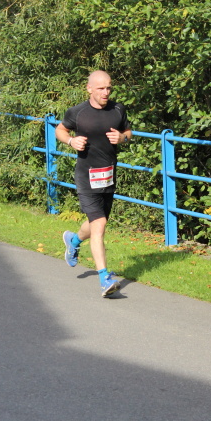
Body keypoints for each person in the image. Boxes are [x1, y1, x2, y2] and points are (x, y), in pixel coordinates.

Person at [55, 70, 132, 297]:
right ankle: (104, 279)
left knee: (97, 221)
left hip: (108, 176)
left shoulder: (118, 109)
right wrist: (71, 141)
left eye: (109, 88)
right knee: (99, 224)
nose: (106, 92)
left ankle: (73, 240)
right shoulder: (77, 113)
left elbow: (128, 131)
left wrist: (123, 138)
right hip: (86, 176)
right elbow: (60, 129)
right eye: (101, 88)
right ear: (89, 89)